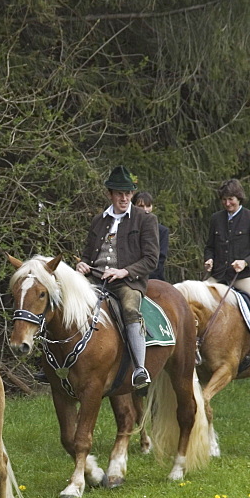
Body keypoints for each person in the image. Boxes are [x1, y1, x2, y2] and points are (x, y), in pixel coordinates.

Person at [76, 166, 159, 389]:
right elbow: (87, 254)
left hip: (127, 282)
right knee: (66, 301)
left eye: (128, 193)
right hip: (95, 278)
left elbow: (152, 259)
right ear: (110, 194)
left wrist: (124, 271)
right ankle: (60, 363)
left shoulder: (145, 220)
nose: (124, 198)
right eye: (119, 193)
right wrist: (82, 264)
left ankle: (140, 368)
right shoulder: (98, 220)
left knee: (131, 308)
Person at [203, 178, 250, 377]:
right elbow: (209, 245)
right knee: (196, 303)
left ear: (239, 198)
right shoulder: (216, 219)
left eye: (231, 199)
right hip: (219, 276)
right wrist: (209, 259)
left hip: (244, 276)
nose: (228, 204)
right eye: (224, 200)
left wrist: (245, 262)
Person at [132, 191, 169, 281]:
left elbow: (160, 259)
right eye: (141, 206)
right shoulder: (127, 227)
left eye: (148, 206)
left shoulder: (162, 231)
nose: (145, 209)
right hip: (129, 276)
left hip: (153, 278)